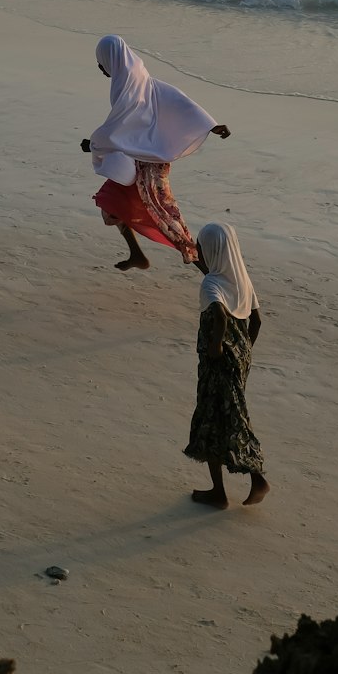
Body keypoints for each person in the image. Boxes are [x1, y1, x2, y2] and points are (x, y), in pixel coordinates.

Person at [81, 35, 231, 270]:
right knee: (111, 202)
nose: (101, 69)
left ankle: (207, 271)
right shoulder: (133, 80)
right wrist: (210, 124)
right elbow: (133, 123)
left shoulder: (132, 85)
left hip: (149, 164)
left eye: (102, 63)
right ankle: (137, 255)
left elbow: (175, 104)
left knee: (164, 217)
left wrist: (209, 125)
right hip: (134, 159)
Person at [184, 221, 269, 509]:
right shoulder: (240, 278)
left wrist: (216, 347)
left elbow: (219, 316)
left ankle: (232, 488)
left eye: (201, 247)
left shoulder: (211, 285)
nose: (199, 251)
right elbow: (256, 320)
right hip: (241, 359)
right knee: (232, 415)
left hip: (217, 363)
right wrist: (244, 351)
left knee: (214, 420)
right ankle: (235, 486)